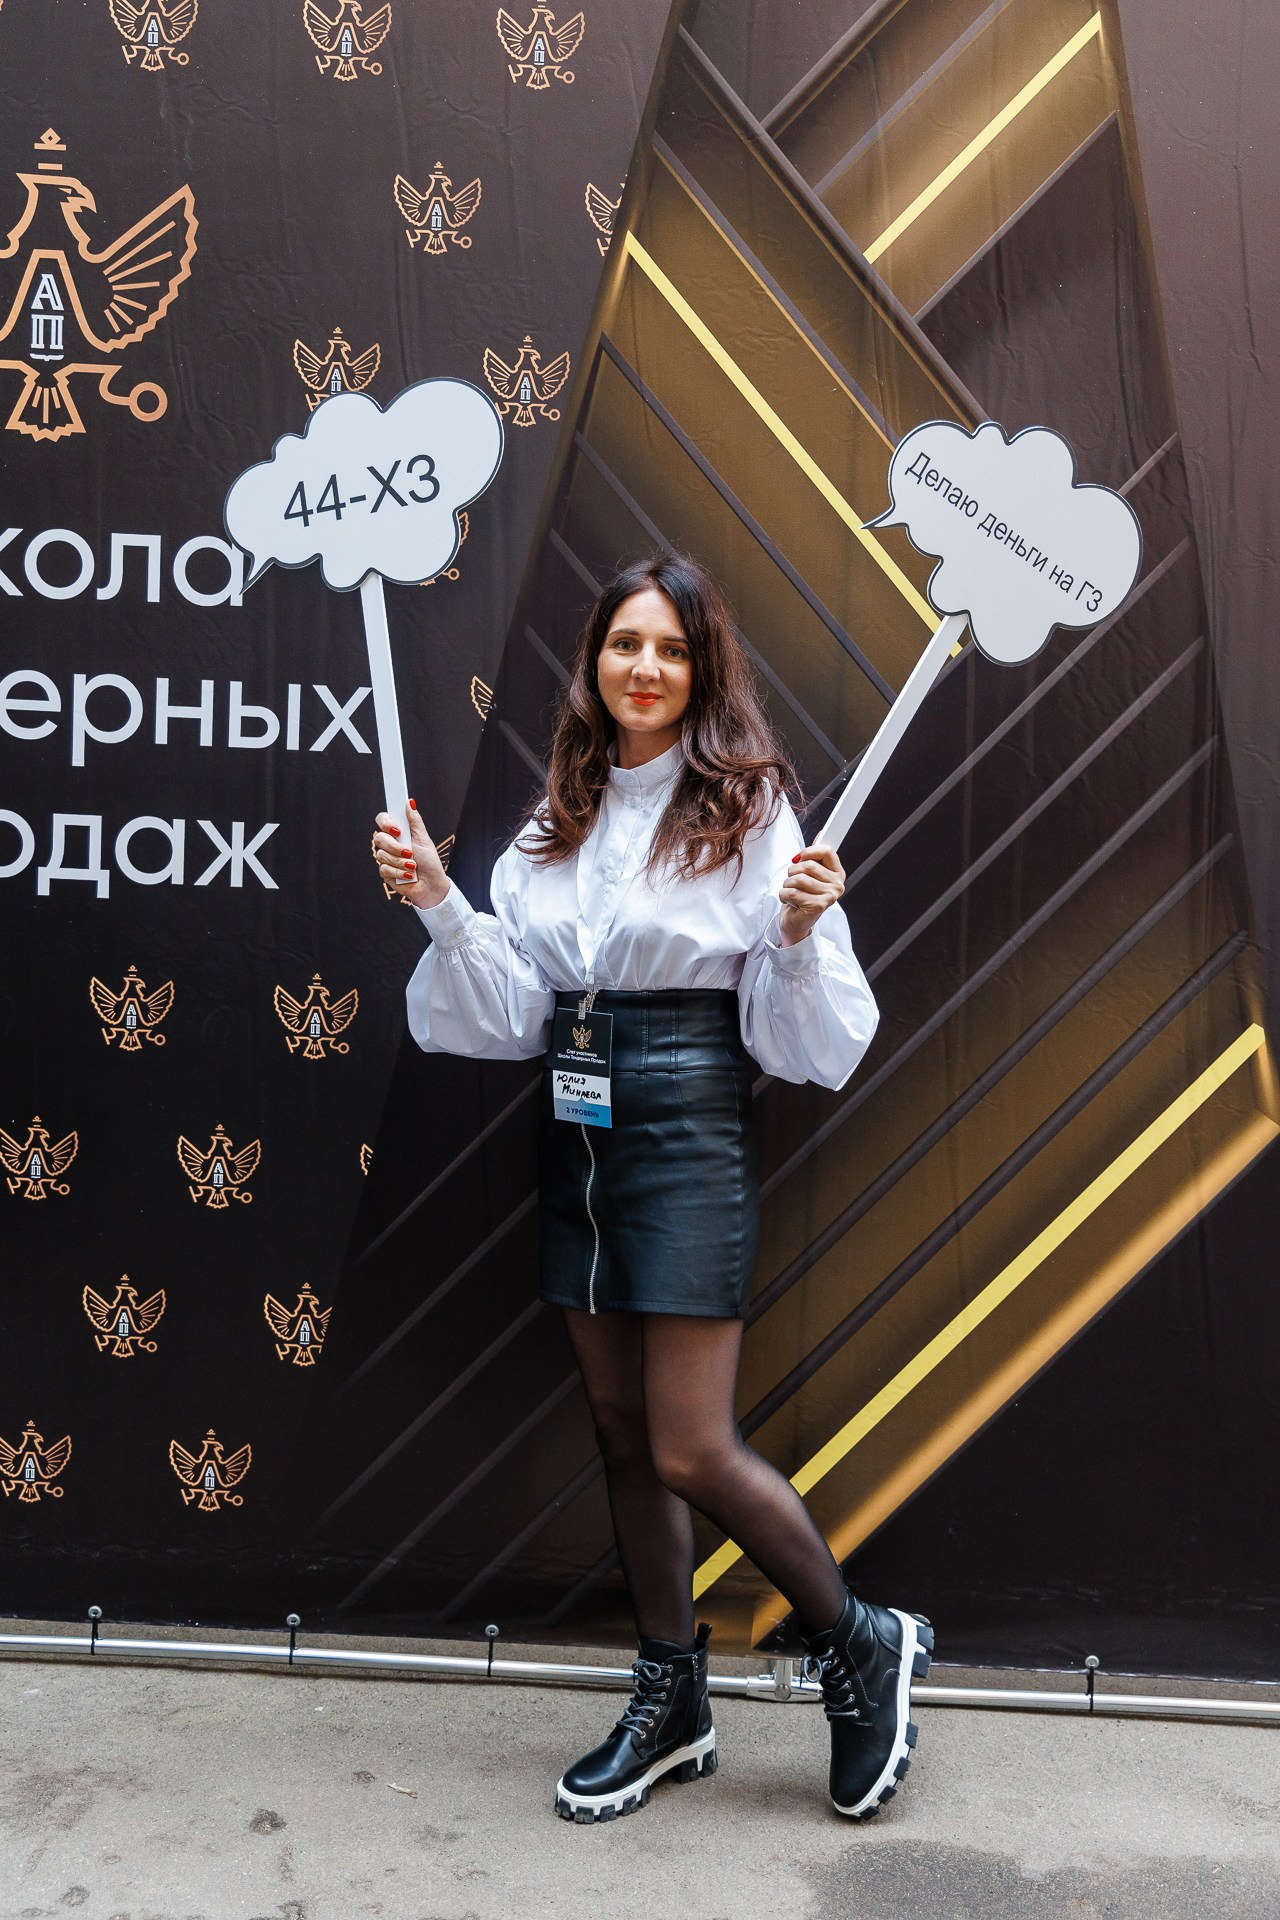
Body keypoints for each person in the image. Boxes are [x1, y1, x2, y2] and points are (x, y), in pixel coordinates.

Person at [371, 554, 932, 1824]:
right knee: (621, 1433)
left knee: (686, 1441)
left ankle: (857, 1641)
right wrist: (441, 903)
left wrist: (799, 931)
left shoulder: (750, 810)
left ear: (701, 670)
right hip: (573, 1125)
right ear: (594, 662)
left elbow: (803, 1034)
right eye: (626, 643)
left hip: (685, 1123)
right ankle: (671, 1698)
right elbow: (518, 1011)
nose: (645, 667)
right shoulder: (555, 815)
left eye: (671, 649)